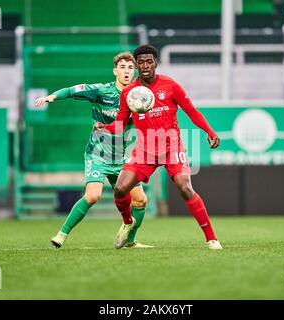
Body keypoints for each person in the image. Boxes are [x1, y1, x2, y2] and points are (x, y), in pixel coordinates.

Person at [94, 45, 222, 250]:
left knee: (184, 186)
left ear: (155, 63)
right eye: (141, 62)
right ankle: (128, 222)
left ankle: (211, 238)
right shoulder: (129, 92)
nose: (145, 65)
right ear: (136, 65)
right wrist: (105, 128)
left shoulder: (170, 85)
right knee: (120, 189)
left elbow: (191, 111)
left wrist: (210, 132)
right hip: (145, 149)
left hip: (172, 147)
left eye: (149, 61)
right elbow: (119, 124)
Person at [35, 51, 152, 249]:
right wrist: (53, 96)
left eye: (130, 68)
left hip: (123, 157)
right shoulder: (101, 91)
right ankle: (61, 235)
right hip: (98, 154)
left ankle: (130, 242)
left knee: (140, 200)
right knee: (93, 196)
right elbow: (73, 90)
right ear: (115, 71)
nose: (126, 71)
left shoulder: (139, 96)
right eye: (122, 67)